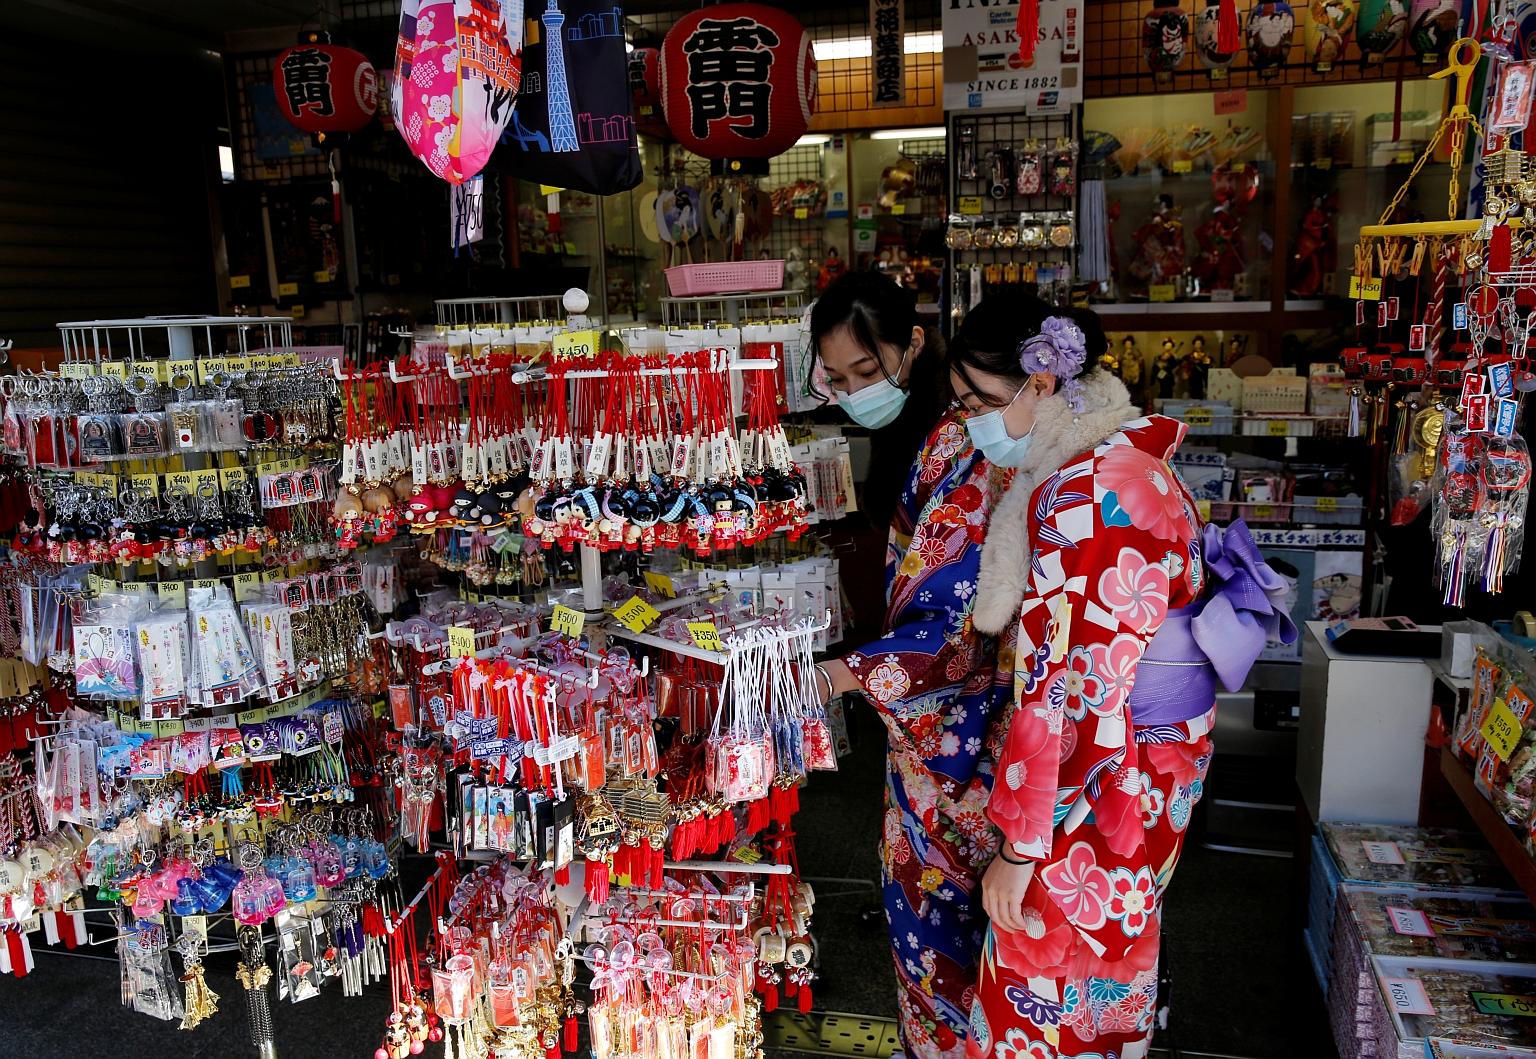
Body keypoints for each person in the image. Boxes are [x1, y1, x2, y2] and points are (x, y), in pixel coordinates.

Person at [945, 300, 1294, 1059]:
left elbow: (1069, 684)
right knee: (1104, 982)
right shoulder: (1122, 465)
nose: (970, 422)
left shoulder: (1090, 496)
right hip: (1141, 765)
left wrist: (1023, 843)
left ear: (1041, 382)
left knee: (1045, 994)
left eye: (977, 403)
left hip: (1096, 785)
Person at [810, 271, 1014, 1059]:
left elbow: (953, 622)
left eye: (870, 371)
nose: (858, 390)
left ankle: (947, 1047)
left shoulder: (970, 444)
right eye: (841, 378)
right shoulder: (935, 438)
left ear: (916, 346)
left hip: (963, 726)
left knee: (946, 917)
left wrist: (845, 675)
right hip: (931, 725)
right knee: (928, 915)